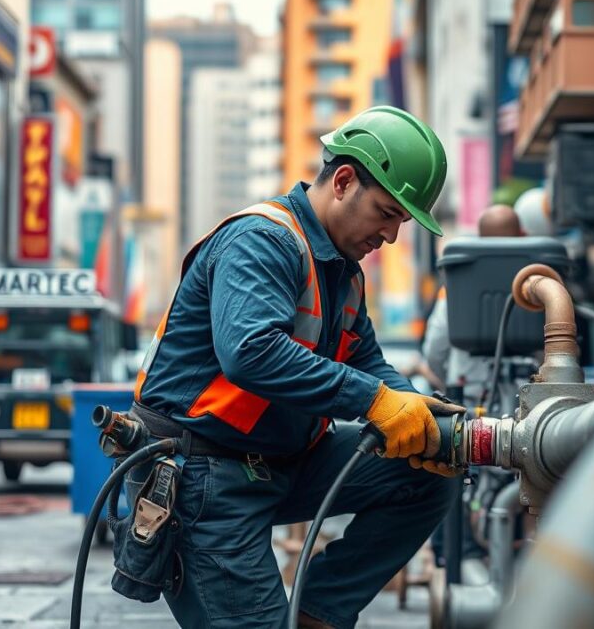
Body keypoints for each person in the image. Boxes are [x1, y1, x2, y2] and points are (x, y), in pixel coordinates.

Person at [132, 106, 464, 628]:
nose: (392, 237)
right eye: (386, 213)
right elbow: (251, 352)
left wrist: (429, 421)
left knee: (426, 477)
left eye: (401, 221)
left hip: (277, 462)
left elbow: (368, 360)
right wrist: (377, 403)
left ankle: (317, 614)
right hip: (201, 472)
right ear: (344, 181)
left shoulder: (342, 272)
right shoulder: (262, 241)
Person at [423, 204, 524, 403]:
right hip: (525, 393)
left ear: (480, 238)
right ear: (522, 234)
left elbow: (434, 350)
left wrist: (449, 382)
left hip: (468, 393)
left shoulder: (457, 282)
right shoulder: (538, 275)